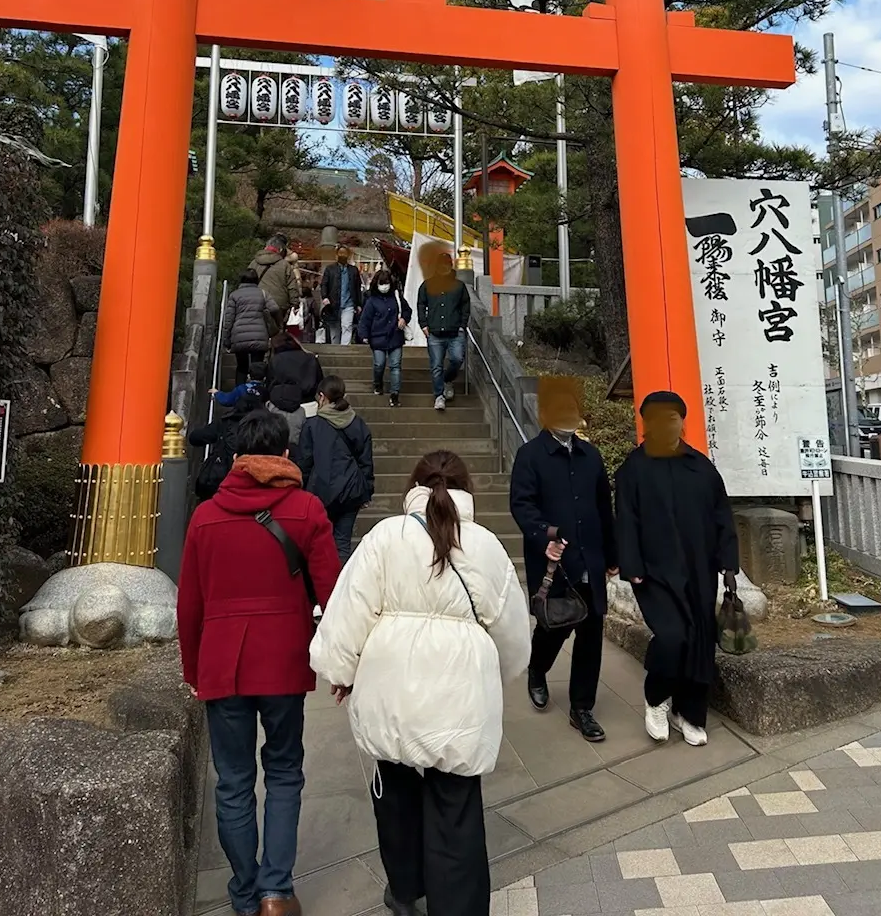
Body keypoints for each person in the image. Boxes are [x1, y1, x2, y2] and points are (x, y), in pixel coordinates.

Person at [310, 450, 531, 916]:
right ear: (467, 490)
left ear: (412, 486)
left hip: (392, 690)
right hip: (459, 696)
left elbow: (351, 608)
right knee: (456, 807)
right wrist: (499, 673)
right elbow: (512, 632)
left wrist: (342, 672)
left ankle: (406, 891)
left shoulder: (385, 536)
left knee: (395, 793)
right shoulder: (487, 546)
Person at [177, 409, 341, 916]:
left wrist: (192, 671)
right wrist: (340, 661)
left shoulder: (205, 516)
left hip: (222, 663)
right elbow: (333, 594)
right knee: (285, 771)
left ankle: (245, 893)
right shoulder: (308, 509)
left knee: (233, 781)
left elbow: (190, 606)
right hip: (284, 660)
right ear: (285, 454)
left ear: (237, 457)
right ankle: (276, 890)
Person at [615, 390, 739, 748]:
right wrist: (632, 565)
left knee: (700, 642)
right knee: (672, 637)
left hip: (699, 570)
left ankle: (690, 712)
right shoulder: (633, 469)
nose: (666, 423)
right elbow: (626, 521)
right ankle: (656, 698)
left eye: (673, 416)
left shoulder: (701, 467)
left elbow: (722, 518)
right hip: (654, 573)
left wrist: (729, 564)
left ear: (682, 421)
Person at [509, 377, 619, 743]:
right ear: (544, 416)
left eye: (572, 410)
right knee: (553, 627)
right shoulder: (530, 456)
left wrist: (613, 553)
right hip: (555, 562)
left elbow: (604, 506)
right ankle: (537, 670)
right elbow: (522, 506)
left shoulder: (591, 457)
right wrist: (545, 536)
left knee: (591, 634)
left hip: (591, 557)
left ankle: (582, 708)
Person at [295, 376, 374, 564]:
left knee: (319, 542)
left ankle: (323, 587)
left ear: (322, 397)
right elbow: (366, 461)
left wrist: (300, 490)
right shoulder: (358, 423)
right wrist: (366, 491)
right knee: (342, 543)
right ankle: (341, 586)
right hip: (351, 490)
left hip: (320, 490)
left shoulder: (313, 425)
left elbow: (305, 463)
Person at [417, 245, 470, 412]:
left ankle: (447, 380)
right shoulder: (427, 285)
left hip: (455, 331)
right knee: (436, 365)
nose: (444, 267)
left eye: (447, 264)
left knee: (457, 359)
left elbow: (465, 306)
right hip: (434, 332)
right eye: (441, 264)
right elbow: (420, 304)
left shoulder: (459, 286)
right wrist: (423, 324)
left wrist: (462, 325)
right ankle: (439, 395)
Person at [189, 391, 266, 502]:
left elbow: (195, 438)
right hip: (257, 482)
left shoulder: (225, 422)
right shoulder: (267, 427)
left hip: (222, 480)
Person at [357, 268, 412, 407]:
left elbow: (407, 310)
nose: (384, 286)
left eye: (386, 283)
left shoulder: (397, 297)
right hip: (377, 337)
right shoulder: (371, 301)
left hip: (395, 335)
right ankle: (378, 383)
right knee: (379, 364)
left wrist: (404, 319)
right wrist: (363, 335)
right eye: (382, 283)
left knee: (395, 366)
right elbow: (365, 319)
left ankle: (395, 394)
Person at [266, 332, 324, 449]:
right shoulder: (310, 358)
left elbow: (270, 385)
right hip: (308, 405)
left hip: (279, 406)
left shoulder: (275, 360)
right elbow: (320, 381)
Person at [224, 269, 280, 384]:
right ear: (256, 280)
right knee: (258, 366)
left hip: (239, 336)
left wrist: (226, 340)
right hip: (259, 335)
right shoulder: (263, 293)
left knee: (241, 367)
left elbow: (229, 320)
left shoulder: (234, 295)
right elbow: (274, 308)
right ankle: (257, 394)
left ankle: (239, 395)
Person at [250, 237, 300, 325]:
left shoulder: (254, 263)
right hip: (279, 305)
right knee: (277, 331)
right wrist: (295, 304)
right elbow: (292, 287)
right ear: (280, 249)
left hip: (257, 302)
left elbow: (247, 282)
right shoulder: (285, 265)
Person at [320, 245, 363, 345]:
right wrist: (325, 297)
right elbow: (324, 284)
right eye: (340, 253)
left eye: (344, 253)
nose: (342, 255)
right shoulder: (330, 269)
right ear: (336, 255)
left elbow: (357, 287)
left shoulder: (353, 270)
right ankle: (335, 349)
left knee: (347, 326)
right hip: (333, 303)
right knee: (334, 329)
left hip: (349, 304)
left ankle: (345, 349)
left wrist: (358, 304)